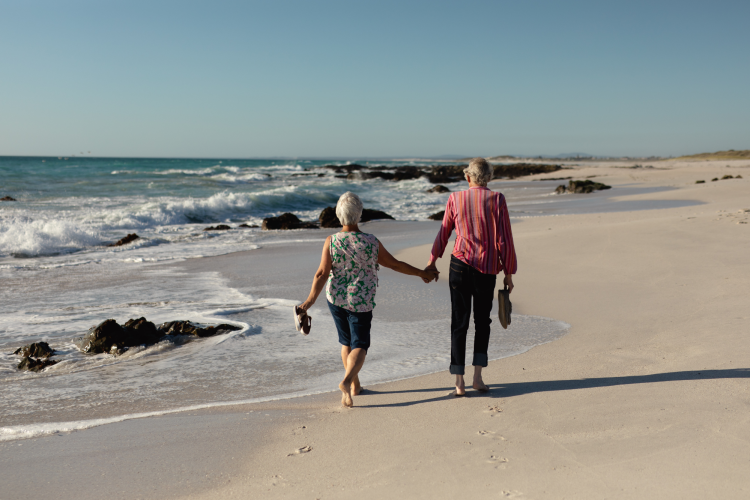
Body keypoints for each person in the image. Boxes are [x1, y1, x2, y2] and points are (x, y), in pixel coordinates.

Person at [298, 192, 439, 407]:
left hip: (335, 299)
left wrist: (308, 302)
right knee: (360, 345)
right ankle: (346, 382)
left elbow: (321, 274)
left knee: (346, 342)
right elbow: (395, 264)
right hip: (360, 301)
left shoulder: (332, 240)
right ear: (359, 214)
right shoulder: (371, 241)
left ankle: (355, 386)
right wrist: (423, 273)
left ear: (338, 215)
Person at [425, 157, 517, 396]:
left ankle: (459, 381)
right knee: (482, 322)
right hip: (486, 269)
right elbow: (504, 239)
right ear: (489, 178)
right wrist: (508, 272)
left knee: (459, 322)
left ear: (468, 177)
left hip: (459, 266)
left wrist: (432, 260)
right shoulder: (497, 199)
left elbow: (444, 232)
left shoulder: (455, 198)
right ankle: (477, 377)